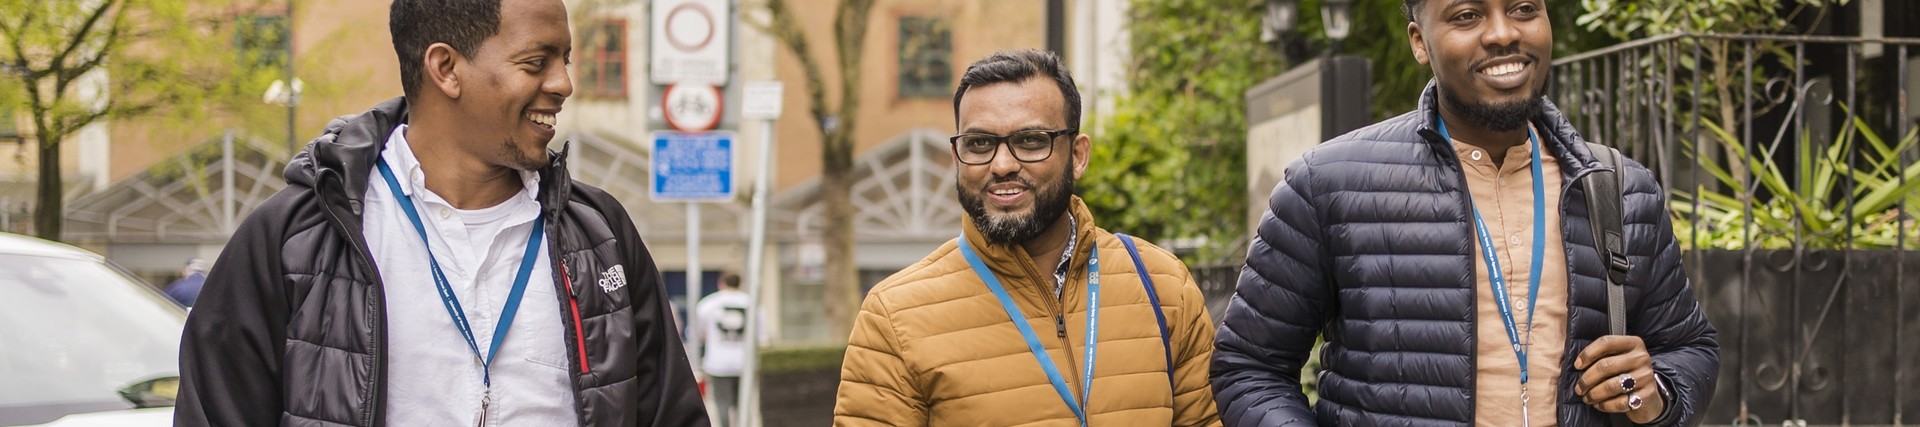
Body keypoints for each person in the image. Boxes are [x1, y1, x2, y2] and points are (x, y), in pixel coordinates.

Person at [173, 0, 708, 425]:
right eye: (535, 61)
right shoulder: (294, 236)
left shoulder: (600, 234)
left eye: (564, 60)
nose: (563, 83)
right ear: (446, 68)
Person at [1211, 0, 1719, 425]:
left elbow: (1689, 346)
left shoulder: (1619, 188)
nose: (1502, 34)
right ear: (1418, 40)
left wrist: (1655, 396)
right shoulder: (1328, 184)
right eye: (1467, 15)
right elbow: (1249, 365)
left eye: (1523, 8)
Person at [833, 49, 1222, 426]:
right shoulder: (895, 316)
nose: (1002, 165)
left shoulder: (1163, 286)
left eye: (1031, 141)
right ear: (957, 159)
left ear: (1078, 155)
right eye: (979, 144)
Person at [693, 272, 752, 427]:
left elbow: (698, 333)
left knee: (722, 403)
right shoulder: (751, 303)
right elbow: (760, 335)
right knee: (743, 404)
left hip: (718, 361)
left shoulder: (708, 303)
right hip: (744, 362)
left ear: (721, 283)